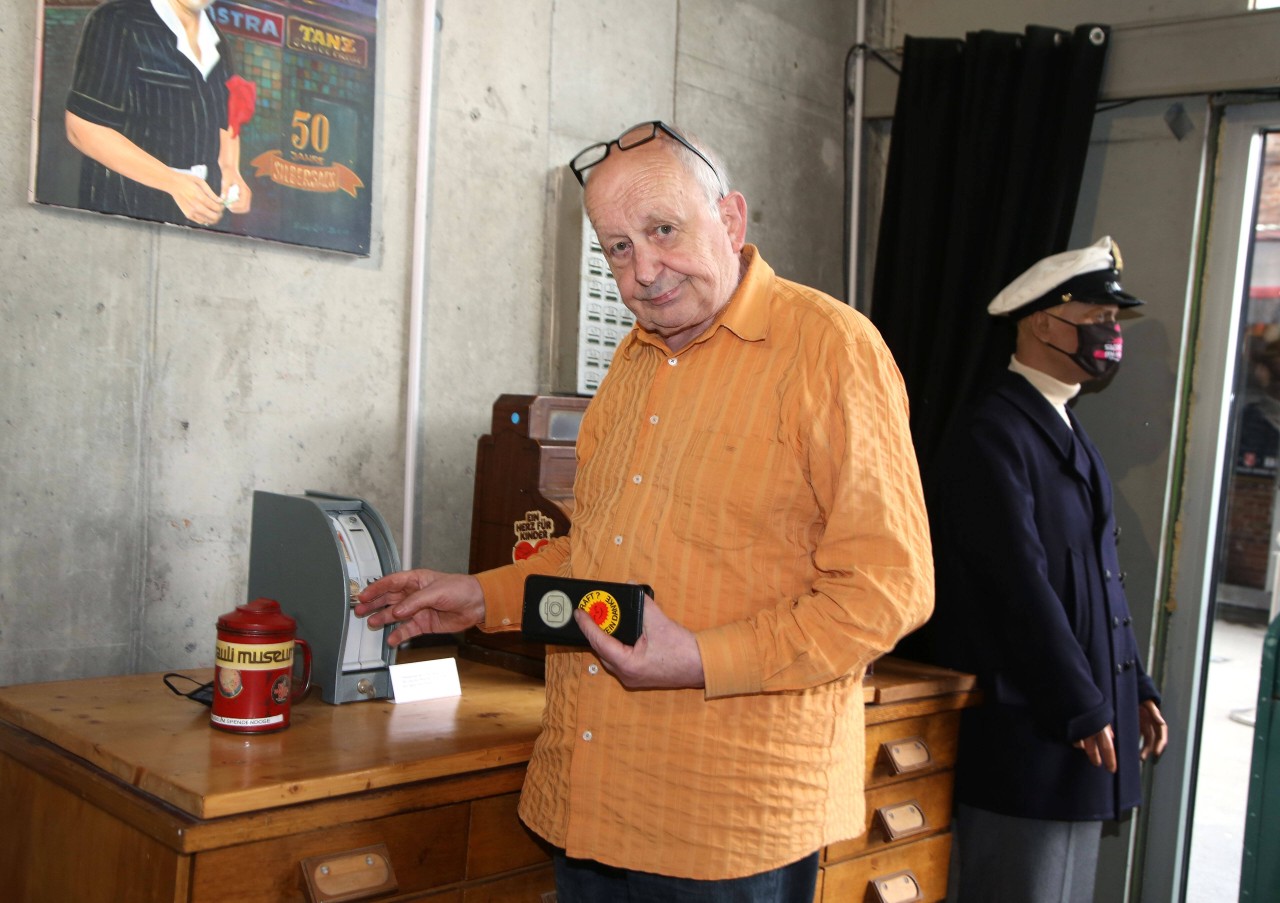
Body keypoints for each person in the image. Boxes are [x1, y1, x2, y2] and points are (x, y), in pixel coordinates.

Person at [356, 121, 933, 899]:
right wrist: (481, 596)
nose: (643, 271)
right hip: (593, 802)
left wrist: (700, 657)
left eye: (663, 230)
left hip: (728, 829)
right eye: (618, 247)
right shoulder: (632, 363)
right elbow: (596, 559)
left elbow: (888, 590)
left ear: (731, 219)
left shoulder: (832, 351)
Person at [925, 237, 1169, 903]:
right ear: (1041, 321)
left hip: (1079, 727)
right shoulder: (993, 433)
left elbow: (1097, 579)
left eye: (1114, 322)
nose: (1110, 335)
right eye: (1098, 318)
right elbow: (1020, 590)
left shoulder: (1063, 428)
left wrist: (1134, 686)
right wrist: (1084, 705)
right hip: (1032, 737)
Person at [64, 0, 252, 227]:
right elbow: (81, 128)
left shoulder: (218, 42)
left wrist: (231, 169)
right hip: (126, 217)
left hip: (202, 223)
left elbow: (226, 119)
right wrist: (173, 182)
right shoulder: (117, 21)